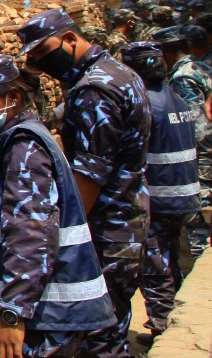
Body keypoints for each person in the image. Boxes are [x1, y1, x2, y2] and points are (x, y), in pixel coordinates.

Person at [0, 54, 115, 357]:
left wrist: (13, 313)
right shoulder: (8, 140)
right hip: (36, 311)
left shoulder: (23, 147)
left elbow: (30, 233)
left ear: (12, 97)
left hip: (40, 318)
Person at [17, 9, 150, 357]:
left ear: (71, 39)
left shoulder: (94, 91)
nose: (39, 62)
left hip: (106, 231)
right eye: (32, 57)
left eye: (43, 52)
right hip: (127, 222)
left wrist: (58, 240)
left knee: (97, 338)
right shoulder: (119, 73)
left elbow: (89, 178)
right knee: (113, 327)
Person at [118, 42, 200, 344]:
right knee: (170, 259)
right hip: (184, 195)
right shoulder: (177, 98)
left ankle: (163, 323)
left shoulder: (146, 104)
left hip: (157, 197)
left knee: (153, 265)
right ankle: (172, 311)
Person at [154, 25, 212, 255]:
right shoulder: (201, 67)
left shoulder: (182, 77)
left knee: (199, 222)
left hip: (202, 160)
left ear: (164, 53)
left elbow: (197, 129)